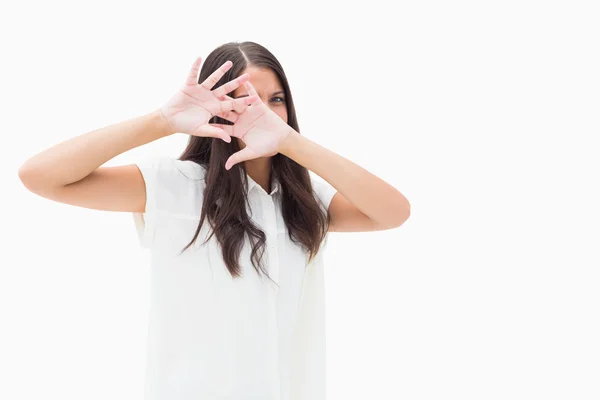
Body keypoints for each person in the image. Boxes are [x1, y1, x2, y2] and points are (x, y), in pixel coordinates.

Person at [18, 41, 411, 400]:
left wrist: (291, 142)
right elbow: (40, 176)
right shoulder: (176, 187)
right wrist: (162, 120)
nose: (263, 112)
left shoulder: (304, 203)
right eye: (243, 100)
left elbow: (394, 212)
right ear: (216, 109)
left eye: (276, 99)